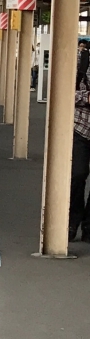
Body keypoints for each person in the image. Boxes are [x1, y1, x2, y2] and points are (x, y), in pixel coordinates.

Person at [69, 49, 90, 241]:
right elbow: (64, 91)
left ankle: (89, 225)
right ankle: (71, 221)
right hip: (81, 127)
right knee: (78, 174)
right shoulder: (81, 58)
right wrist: (87, 98)